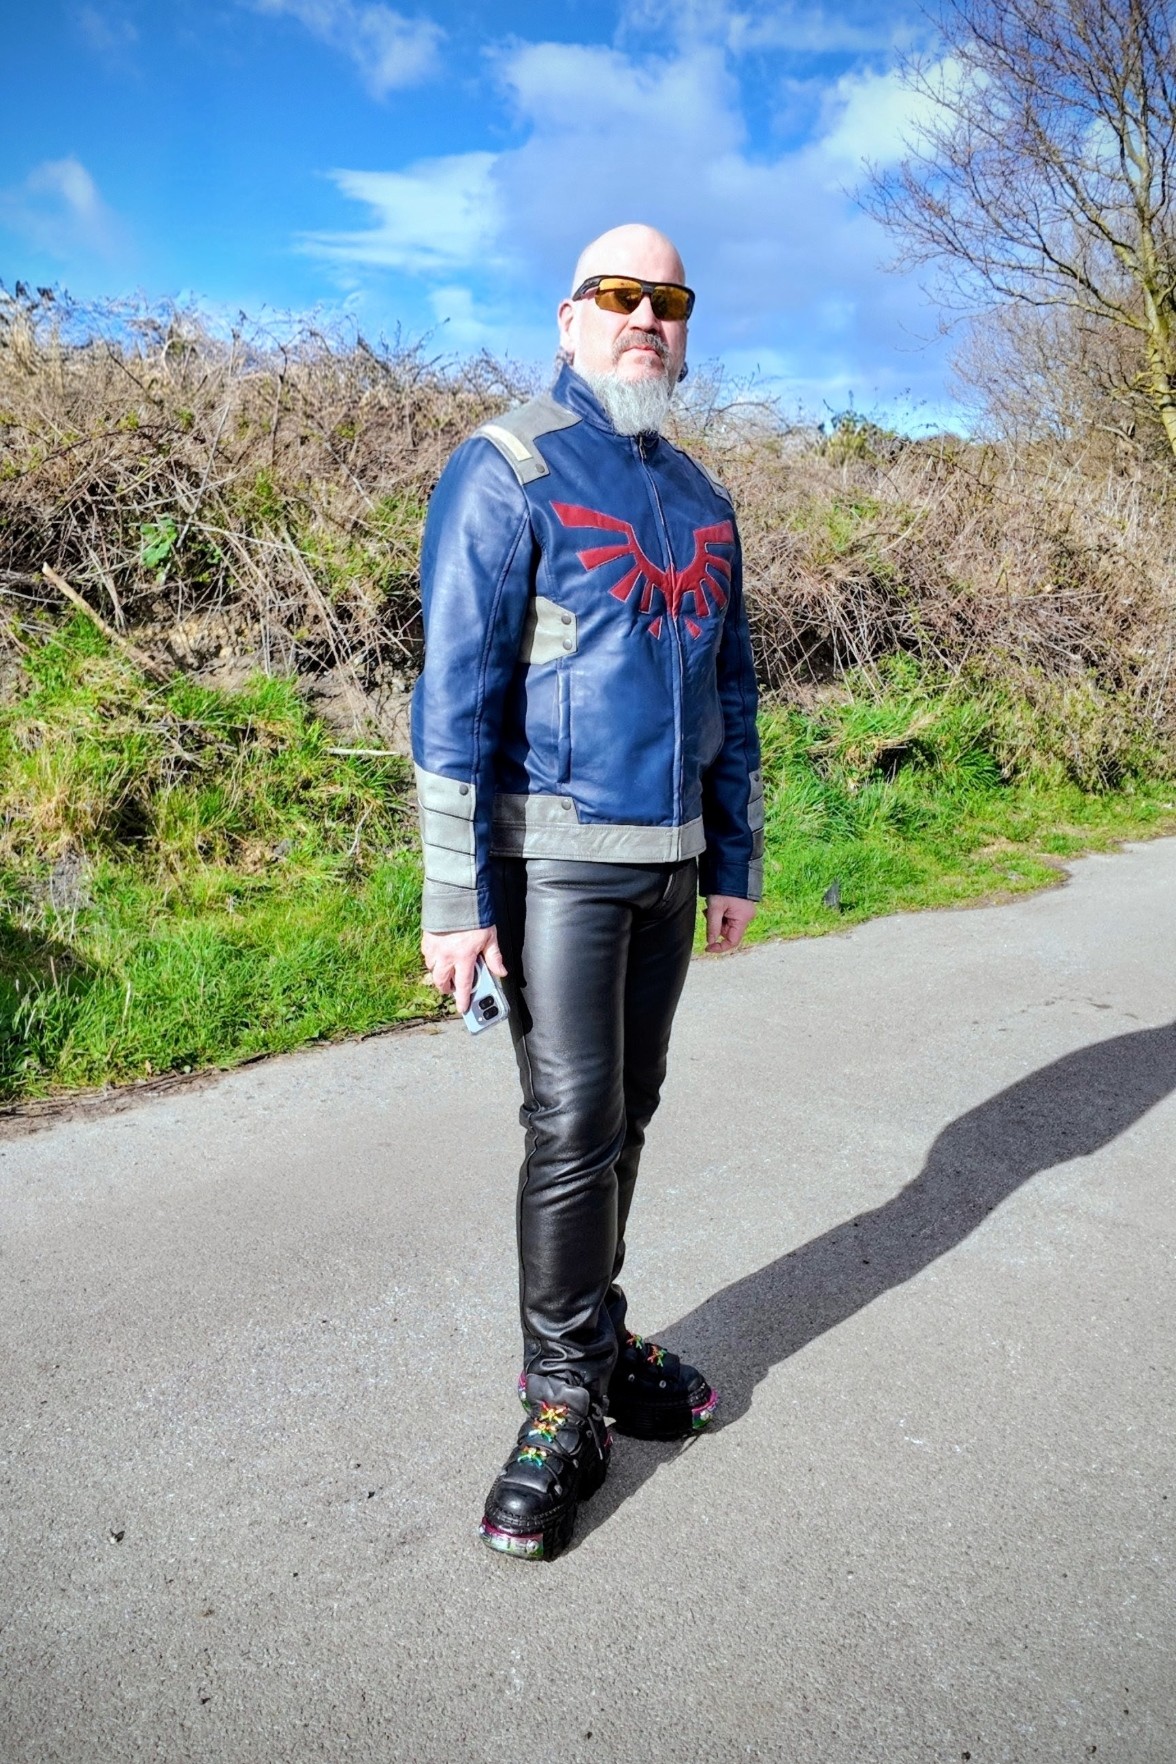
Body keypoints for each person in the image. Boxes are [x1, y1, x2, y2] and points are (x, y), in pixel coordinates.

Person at [412, 222, 762, 1561]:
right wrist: (456, 896)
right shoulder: (507, 467)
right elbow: (454, 693)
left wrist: (732, 861)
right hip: (553, 861)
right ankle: (563, 1399)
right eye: (619, 294)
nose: (646, 318)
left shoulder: (705, 499)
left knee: (631, 1115)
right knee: (571, 1126)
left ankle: (601, 1345)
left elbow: (732, 692)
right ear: (569, 319)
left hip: (671, 864)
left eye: (668, 299)